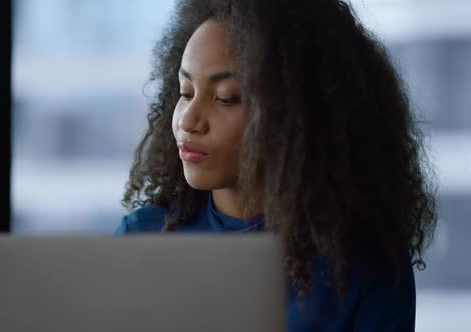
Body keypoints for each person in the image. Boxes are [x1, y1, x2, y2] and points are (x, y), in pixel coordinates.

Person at [114, 0, 437, 331]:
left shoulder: (363, 264)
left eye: (225, 97)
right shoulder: (142, 238)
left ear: (296, 115)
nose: (189, 121)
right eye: (185, 91)